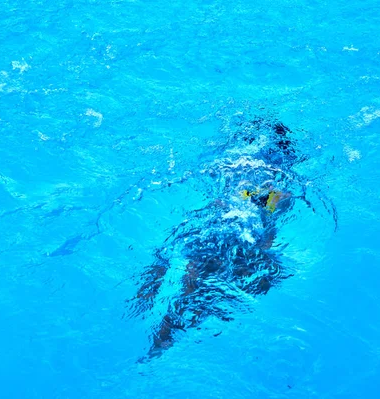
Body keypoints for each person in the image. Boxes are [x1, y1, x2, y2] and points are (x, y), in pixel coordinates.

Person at [128, 118, 299, 360]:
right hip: (233, 234)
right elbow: (274, 210)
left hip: (219, 229)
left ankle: (158, 320)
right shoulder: (266, 181)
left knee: (188, 268)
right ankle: (165, 328)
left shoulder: (234, 168)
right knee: (209, 279)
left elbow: (259, 200)